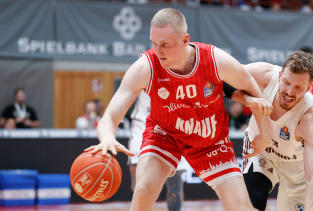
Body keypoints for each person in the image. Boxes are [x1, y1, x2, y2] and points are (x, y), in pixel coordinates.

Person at [85, 8, 272, 211]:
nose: (158, 50)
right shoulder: (146, 67)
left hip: (210, 142)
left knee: (241, 208)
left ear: (185, 40)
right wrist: (106, 137)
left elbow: (252, 89)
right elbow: (109, 117)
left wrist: (264, 133)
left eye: (165, 44)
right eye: (154, 43)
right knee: (144, 189)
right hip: (164, 135)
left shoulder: (215, 60)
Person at [229, 51, 313, 210]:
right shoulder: (263, 75)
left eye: (298, 87)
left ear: (309, 88)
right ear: (280, 75)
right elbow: (224, 75)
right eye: (286, 82)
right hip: (261, 152)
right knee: (253, 201)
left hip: (296, 165)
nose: (289, 92)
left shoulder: (312, 119)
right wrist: (247, 100)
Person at [128, 91, 188, 211]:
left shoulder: (186, 74)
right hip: (142, 125)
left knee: (175, 184)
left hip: (174, 127)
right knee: (138, 181)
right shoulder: (143, 72)